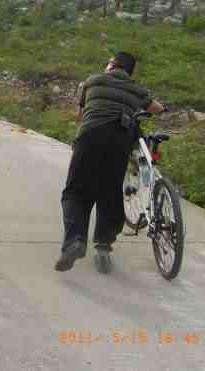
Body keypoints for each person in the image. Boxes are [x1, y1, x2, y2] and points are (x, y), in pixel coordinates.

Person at [55, 52, 164, 273]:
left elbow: (80, 115)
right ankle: (104, 247)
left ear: (111, 65)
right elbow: (156, 108)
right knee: (110, 192)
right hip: (121, 140)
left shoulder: (93, 81)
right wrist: (159, 108)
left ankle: (75, 241)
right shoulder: (137, 89)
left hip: (91, 136)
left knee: (76, 191)